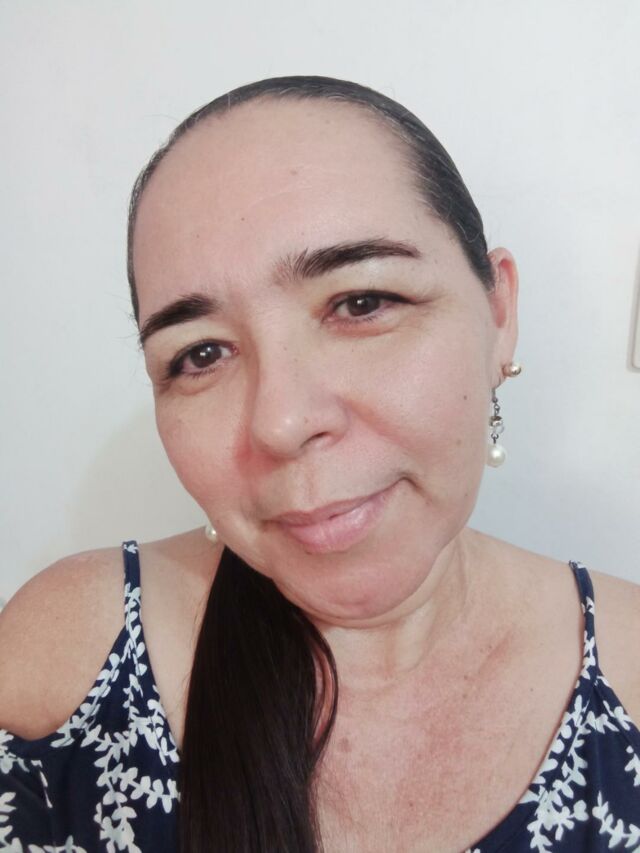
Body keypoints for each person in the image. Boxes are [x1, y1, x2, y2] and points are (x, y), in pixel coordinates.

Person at [1, 75, 639, 853]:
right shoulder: (70, 655)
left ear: (498, 313)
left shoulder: (631, 669)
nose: (281, 422)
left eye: (361, 302)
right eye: (201, 353)